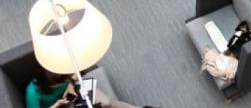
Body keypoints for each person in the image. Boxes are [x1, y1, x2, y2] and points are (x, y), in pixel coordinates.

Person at [26, 67, 155, 108]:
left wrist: (70, 84)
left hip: (75, 93)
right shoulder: (33, 92)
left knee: (108, 102)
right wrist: (57, 104)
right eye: (62, 82)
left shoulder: (60, 69)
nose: (66, 80)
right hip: (62, 106)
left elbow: (75, 76)